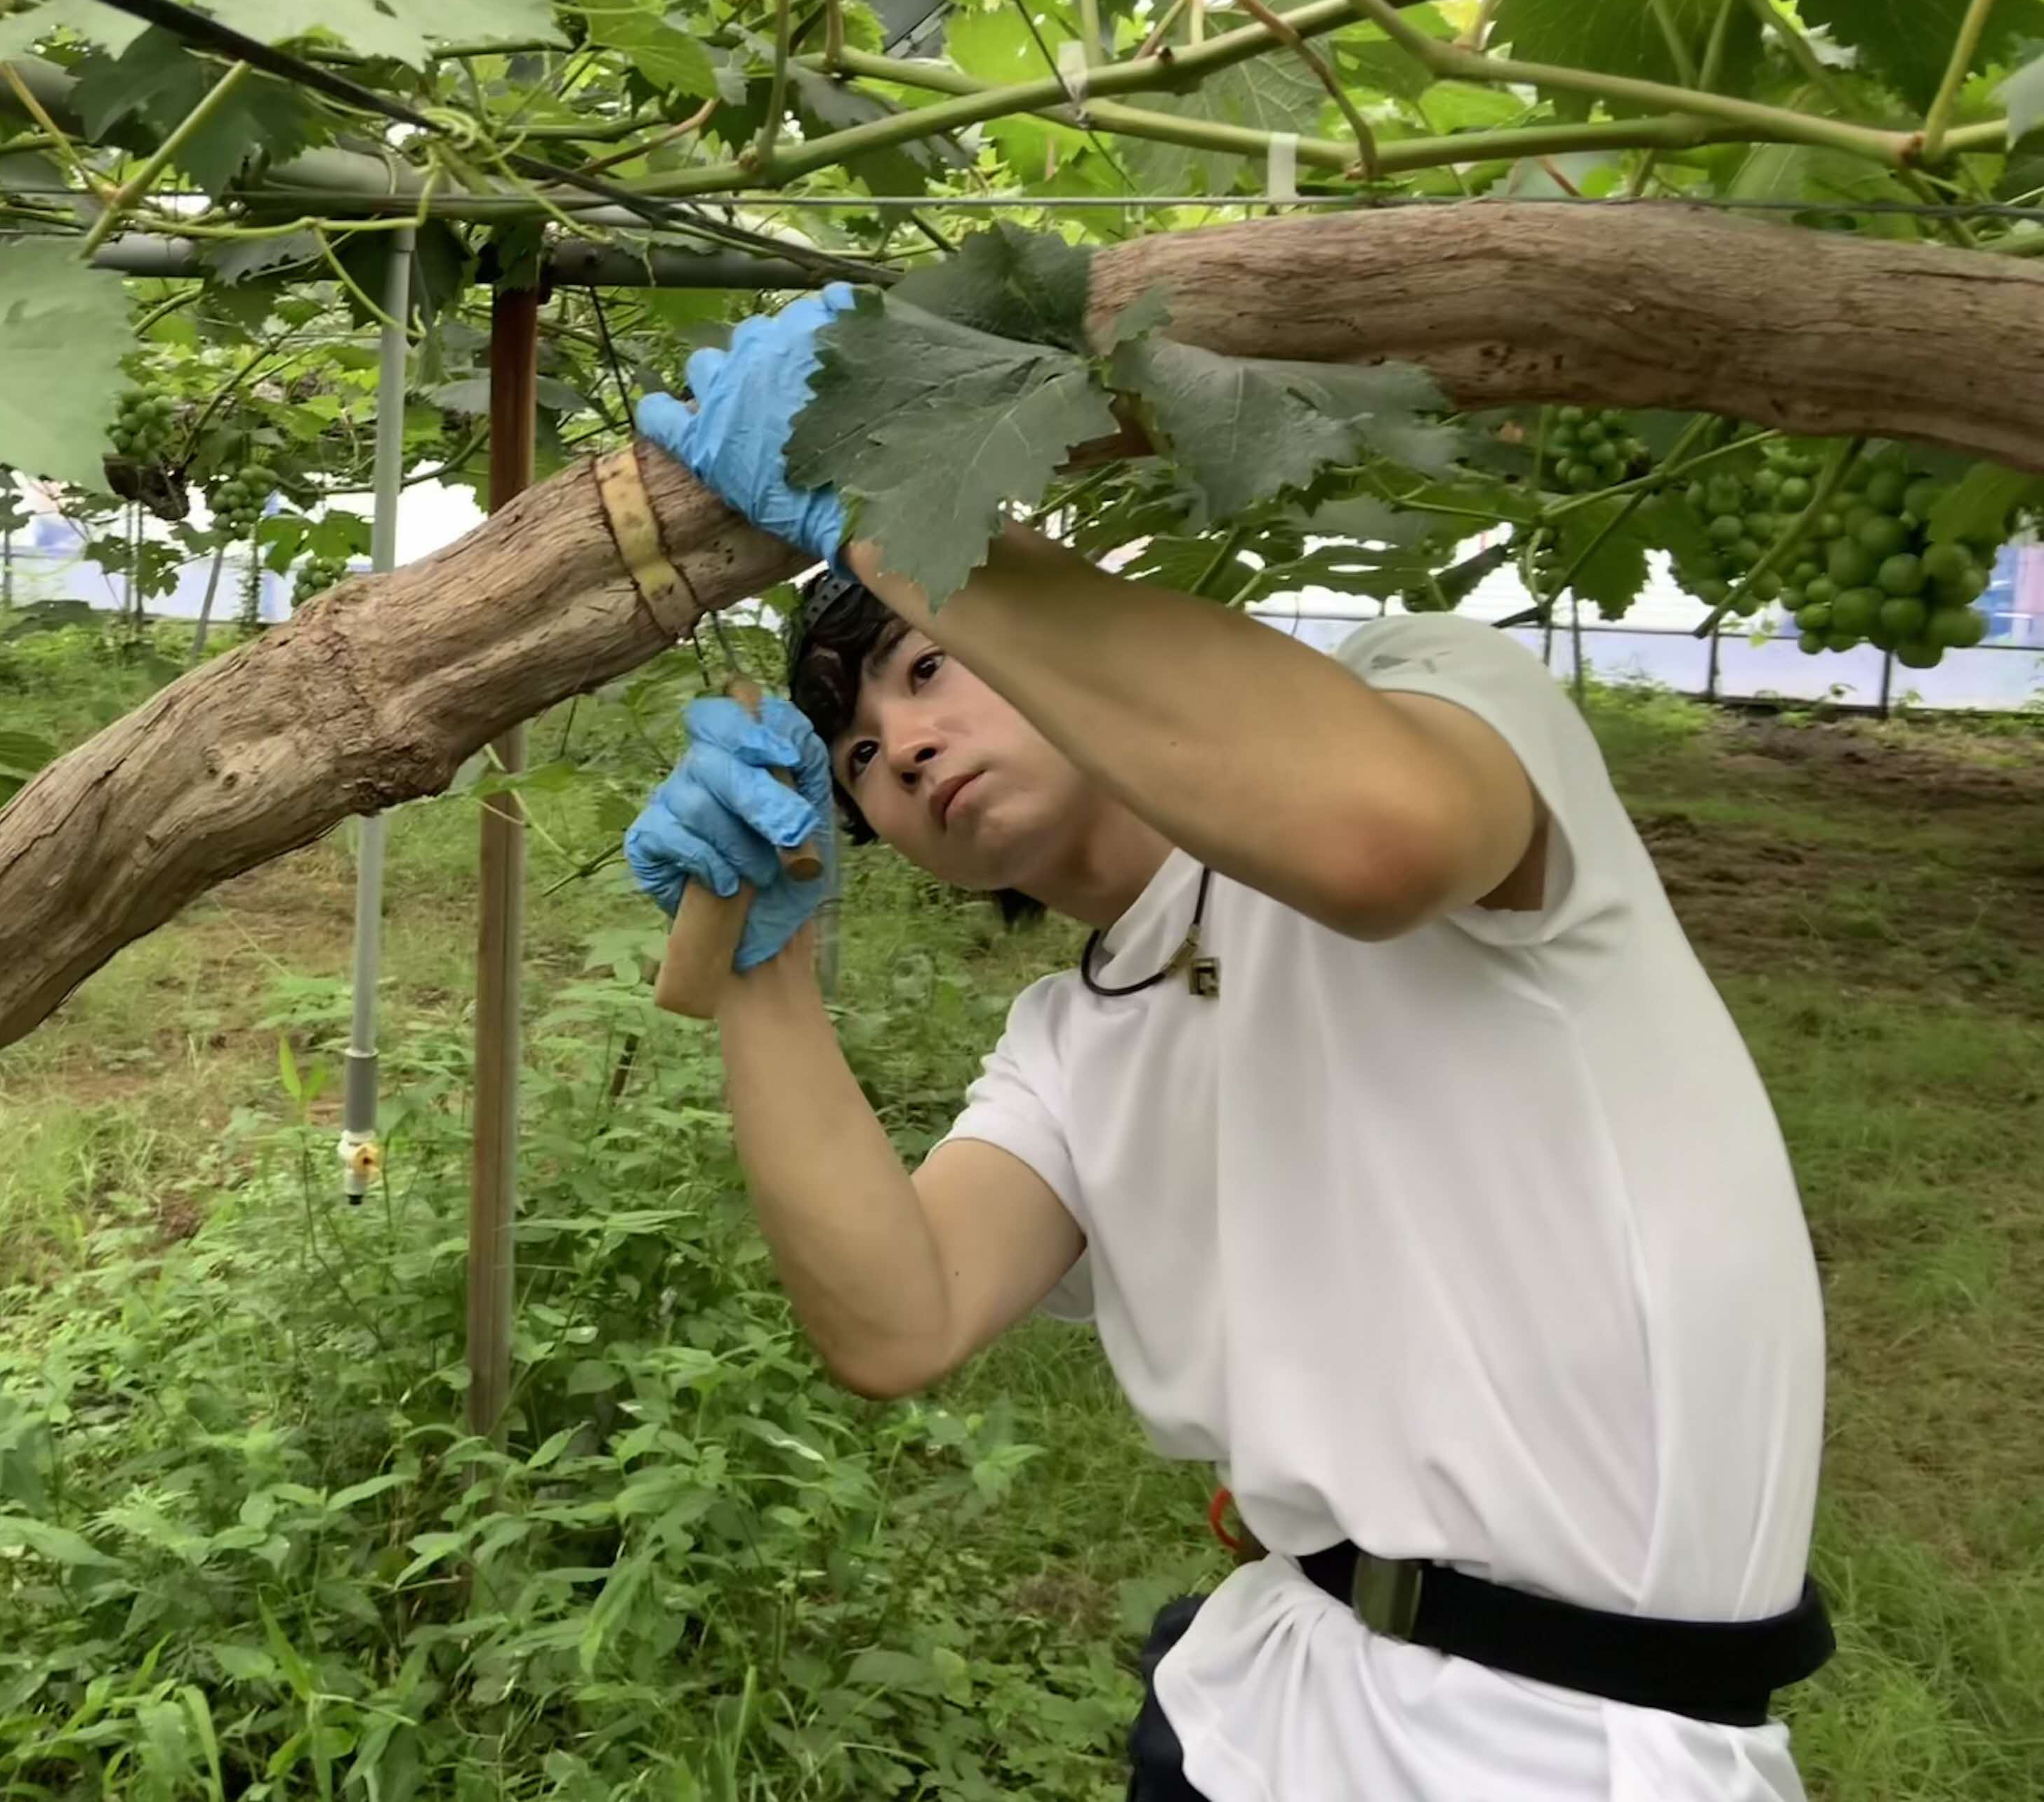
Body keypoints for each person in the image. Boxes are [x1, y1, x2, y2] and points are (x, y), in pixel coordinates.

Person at [620, 287, 1833, 1802]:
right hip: (1254, 1717)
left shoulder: (1437, 696)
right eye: (859, 754)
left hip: (1577, 1747)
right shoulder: (1070, 1043)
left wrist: (902, 512)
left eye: (924, 664)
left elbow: (1378, 840)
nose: (904, 745)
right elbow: (898, 1320)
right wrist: (765, 980)